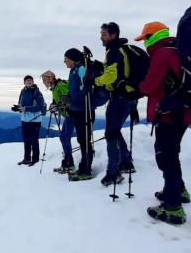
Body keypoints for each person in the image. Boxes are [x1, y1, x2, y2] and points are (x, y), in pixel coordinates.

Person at [135, 21, 191, 225]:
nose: (145, 42)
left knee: (165, 156)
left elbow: (150, 86)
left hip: (168, 114)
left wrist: (138, 85)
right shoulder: (178, 50)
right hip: (184, 112)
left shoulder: (161, 54)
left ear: (154, 36)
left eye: (146, 38)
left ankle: (173, 207)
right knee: (171, 153)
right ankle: (177, 190)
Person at [94, 22, 136, 187]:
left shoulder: (113, 51)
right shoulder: (122, 50)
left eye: (104, 34)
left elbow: (111, 77)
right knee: (115, 130)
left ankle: (113, 173)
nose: (101, 37)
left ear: (113, 35)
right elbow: (115, 72)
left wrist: (96, 80)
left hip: (119, 97)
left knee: (110, 133)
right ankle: (125, 162)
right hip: (128, 96)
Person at [64, 49, 95, 181]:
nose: (64, 61)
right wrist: (69, 98)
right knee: (82, 139)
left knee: (84, 139)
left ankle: (86, 168)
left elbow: (84, 89)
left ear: (72, 59)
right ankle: (84, 166)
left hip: (84, 109)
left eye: (66, 59)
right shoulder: (75, 70)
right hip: (79, 109)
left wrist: (70, 99)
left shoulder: (81, 69)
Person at [41, 70, 75, 173]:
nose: (43, 82)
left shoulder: (59, 86)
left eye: (44, 80)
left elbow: (69, 99)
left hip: (72, 115)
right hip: (70, 115)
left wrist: (58, 106)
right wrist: (54, 105)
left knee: (64, 138)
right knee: (64, 138)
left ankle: (69, 164)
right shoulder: (55, 88)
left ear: (50, 78)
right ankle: (68, 163)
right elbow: (59, 100)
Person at [16, 75, 46, 166]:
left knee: (34, 140)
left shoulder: (37, 92)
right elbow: (20, 103)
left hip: (35, 120)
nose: (29, 81)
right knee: (26, 140)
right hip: (25, 119)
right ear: (24, 82)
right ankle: (27, 158)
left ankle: (35, 159)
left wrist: (25, 109)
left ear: (33, 82)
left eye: (30, 80)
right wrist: (18, 108)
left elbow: (40, 107)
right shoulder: (23, 91)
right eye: (27, 80)